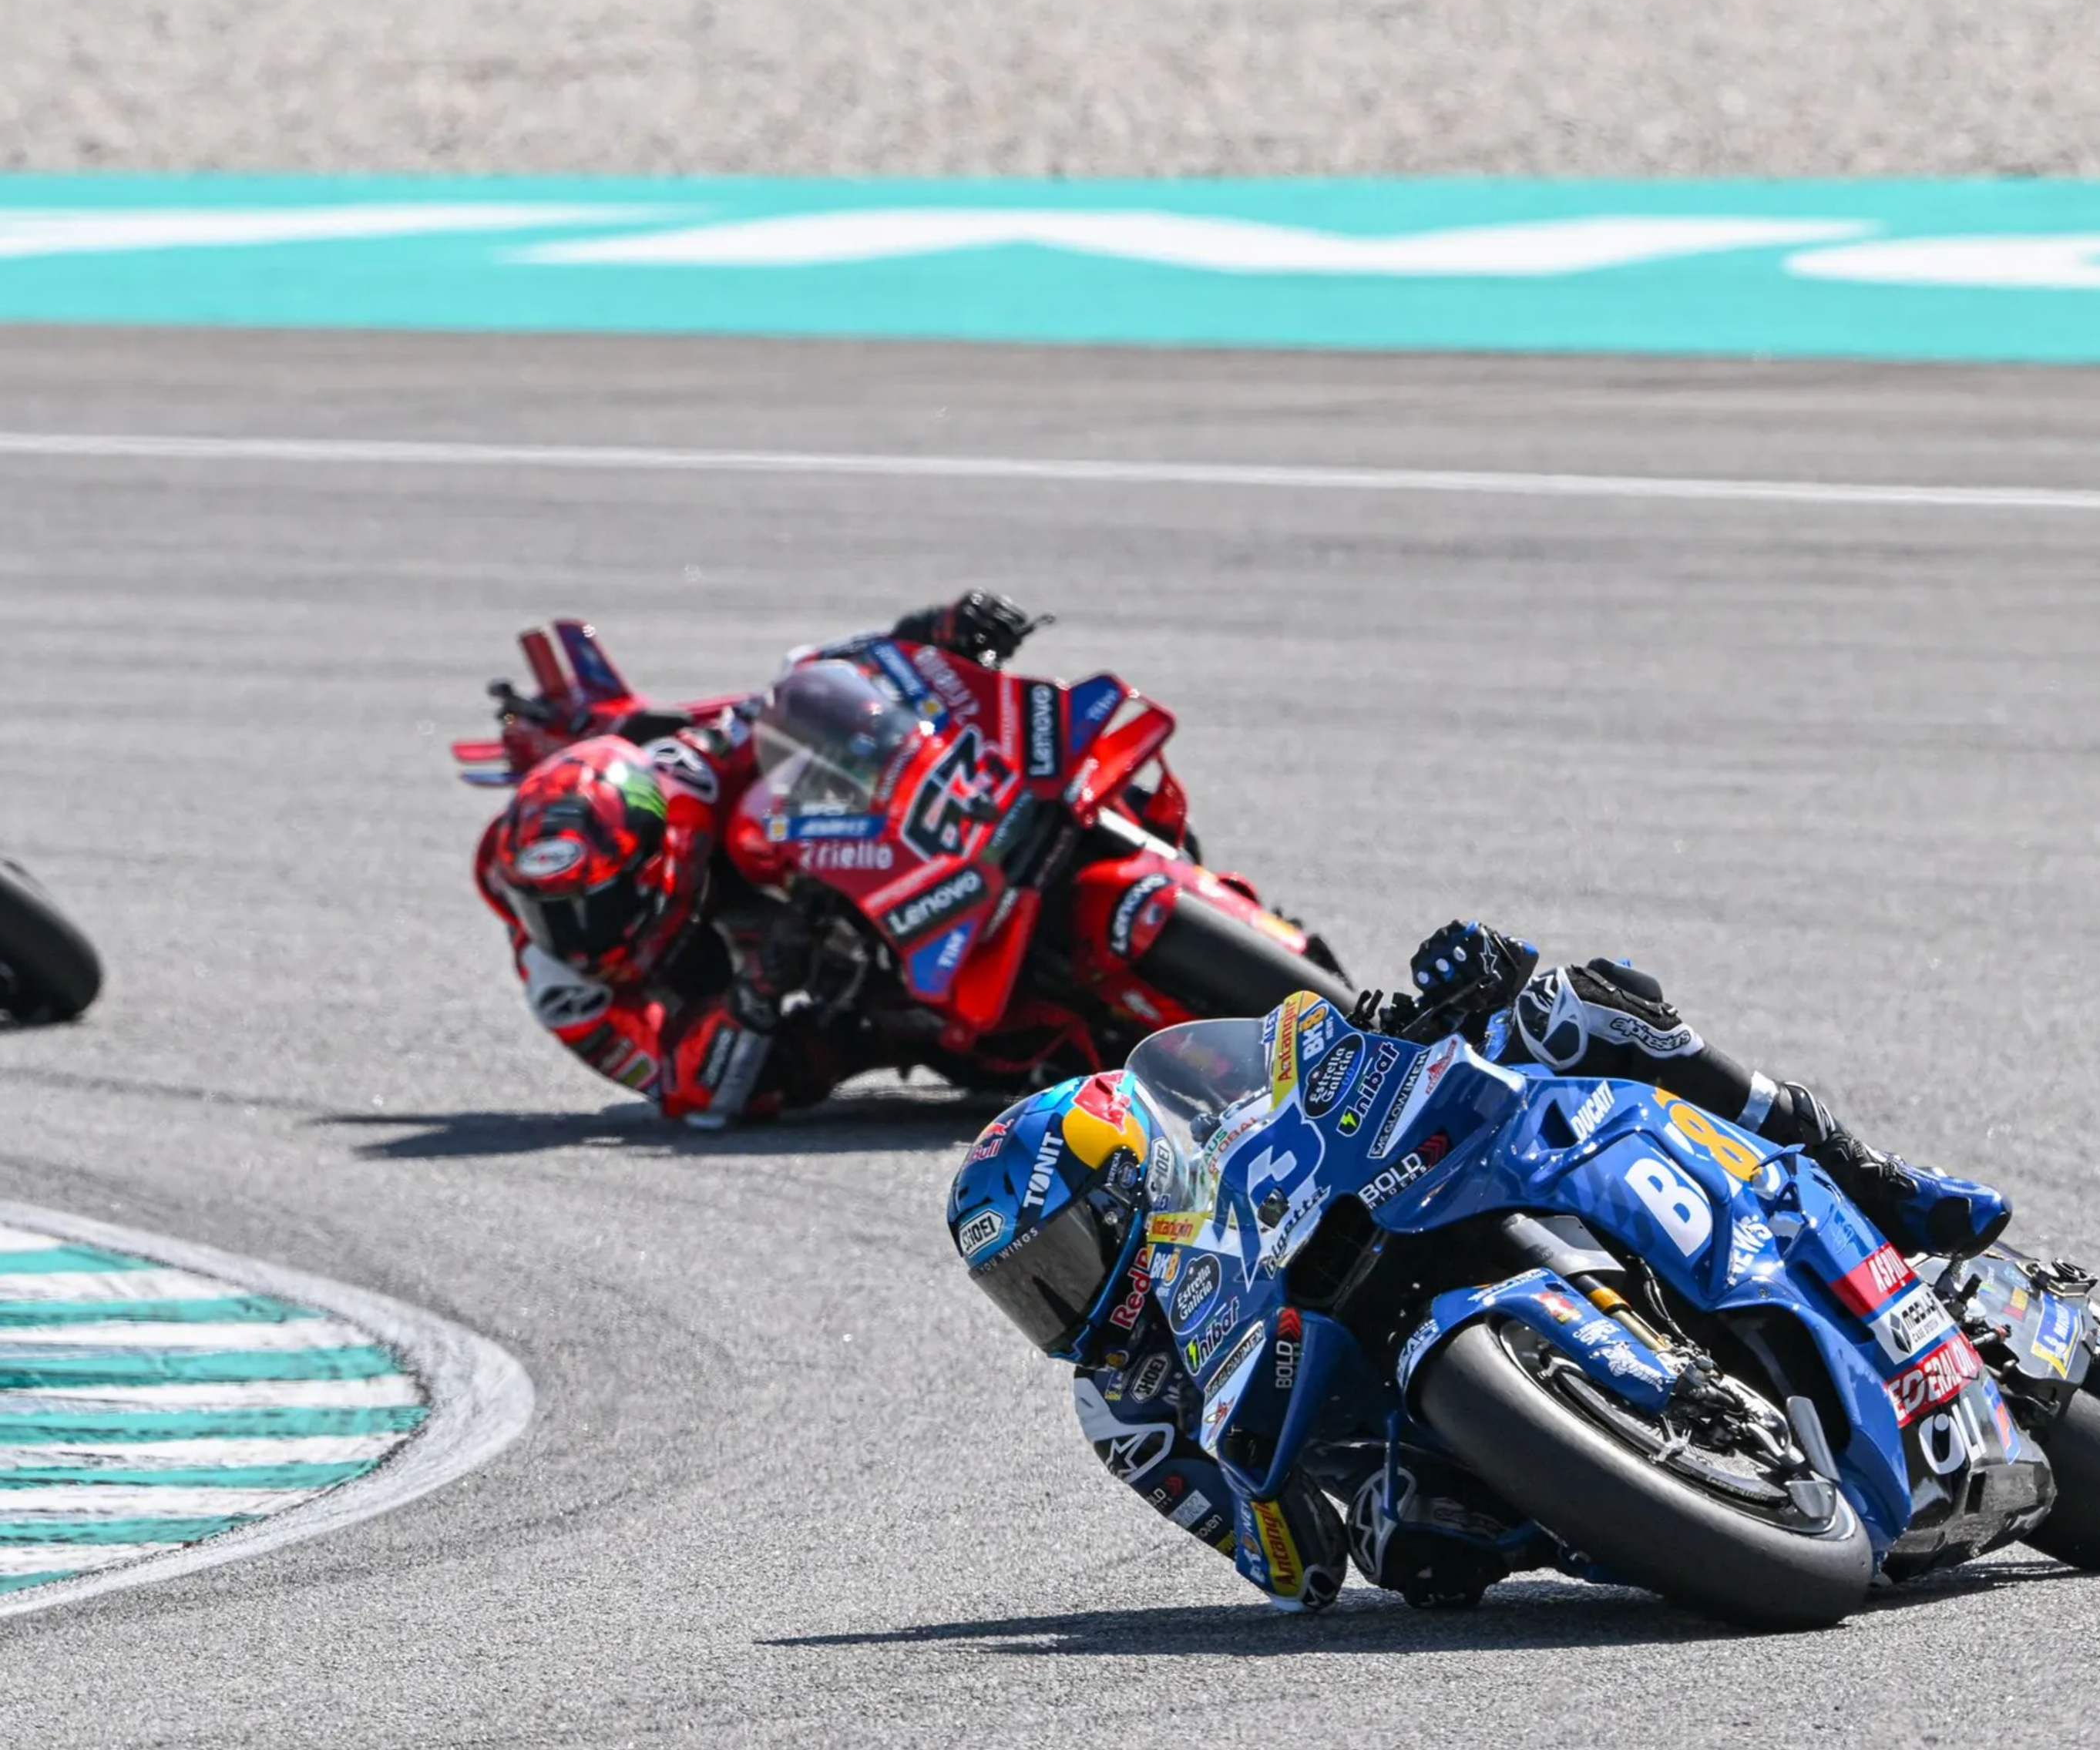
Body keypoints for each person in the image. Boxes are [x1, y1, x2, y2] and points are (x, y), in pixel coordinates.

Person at [947, 918, 2010, 1613]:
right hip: (1413, 1434)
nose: (1058, 1300)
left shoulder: (1237, 1147)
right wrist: (1260, 1479)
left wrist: (1435, 1010)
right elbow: (1293, 1572)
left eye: (1064, 1255)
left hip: (1422, 1211)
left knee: (1581, 1013)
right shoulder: (1122, 1409)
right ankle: (1676, 1499)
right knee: (1409, 1543)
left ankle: (1872, 1178)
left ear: (1138, 1181)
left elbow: (1341, 1067)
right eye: (1024, 1290)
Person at [476, 591, 1041, 1126]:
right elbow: (677, 1085)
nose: (572, 938)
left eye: (592, 906)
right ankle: (911, 1027)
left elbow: (798, 686)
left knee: (781, 789)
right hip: (749, 997)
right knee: (795, 1066)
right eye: (542, 913)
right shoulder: (563, 987)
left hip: (829, 864)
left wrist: (927, 632)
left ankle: (979, 820)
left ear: (651, 861)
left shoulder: (690, 777)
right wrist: (756, 990)